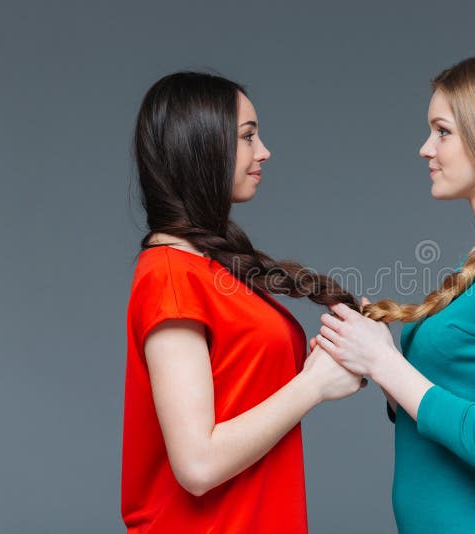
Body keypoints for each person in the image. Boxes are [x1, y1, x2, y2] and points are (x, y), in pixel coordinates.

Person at [314, 53, 475, 532]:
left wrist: (383, 362)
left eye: (442, 131)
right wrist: (371, 354)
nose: (425, 149)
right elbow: (440, 407)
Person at [121, 71, 366, 533]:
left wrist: (328, 359)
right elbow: (197, 465)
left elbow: (240, 393)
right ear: (202, 147)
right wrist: (313, 385)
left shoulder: (208, 267)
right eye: (248, 137)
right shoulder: (171, 275)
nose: (264, 152)